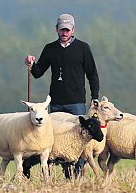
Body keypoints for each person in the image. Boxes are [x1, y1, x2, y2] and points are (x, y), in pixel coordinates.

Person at [24, 13, 99, 177]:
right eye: (61, 30)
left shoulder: (83, 48)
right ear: (56, 29)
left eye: (67, 30)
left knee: (79, 136)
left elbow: (92, 74)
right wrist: (31, 63)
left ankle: (77, 171)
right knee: (56, 138)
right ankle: (60, 170)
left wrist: (95, 97)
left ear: (73, 30)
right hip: (56, 102)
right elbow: (38, 73)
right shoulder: (50, 49)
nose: (64, 33)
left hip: (77, 102)